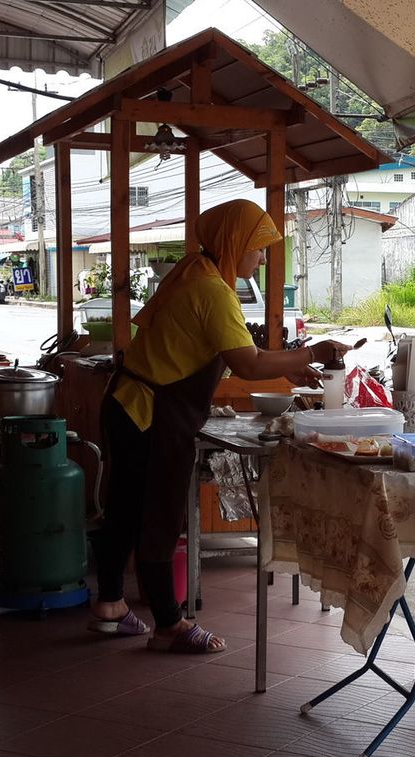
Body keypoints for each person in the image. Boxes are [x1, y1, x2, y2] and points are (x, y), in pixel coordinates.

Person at [87, 199, 350, 652]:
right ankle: (169, 625)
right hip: (150, 413)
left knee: (126, 508)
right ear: (235, 243)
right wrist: (313, 352)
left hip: (129, 405)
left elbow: (221, 352)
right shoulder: (212, 290)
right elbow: (248, 363)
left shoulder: (195, 272)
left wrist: (289, 366)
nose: (262, 258)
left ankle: (110, 604)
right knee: (158, 514)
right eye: (259, 247)